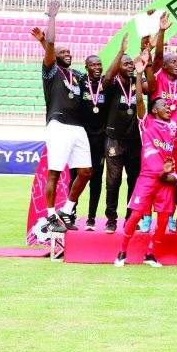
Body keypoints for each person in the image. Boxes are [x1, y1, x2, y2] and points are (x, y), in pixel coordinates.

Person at [114, 50, 177, 267]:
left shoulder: (173, 128)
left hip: (166, 179)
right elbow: (139, 100)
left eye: (168, 105)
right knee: (136, 216)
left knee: (164, 218)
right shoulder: (146, 123)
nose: (168, 107)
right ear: (154, 110)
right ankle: (122, 252)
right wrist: (139, 75)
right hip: (147, 177)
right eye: (164, 106)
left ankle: (150, 253)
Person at [32, 0, 92, 232]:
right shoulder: (51, 72)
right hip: (58, 124)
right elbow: (51, 44)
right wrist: (52, 18)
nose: (67, 54)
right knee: (55, 173)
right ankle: (50, 216)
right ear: (53, 56)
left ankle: (66, 210)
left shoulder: (76, 74)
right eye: (62, 52)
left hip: (78, 127)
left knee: (86, 171)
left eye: (69, 52)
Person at [144, 11, 177, 233]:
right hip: (154, 137)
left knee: (172, 178)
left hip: (174, 138)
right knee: (150, 177)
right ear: (163, 66)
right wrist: (161, 30)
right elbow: (154, 59)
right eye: (173, 62)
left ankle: (172, 216)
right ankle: (146, 216)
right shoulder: (158, 78)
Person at [101, 35, 142, 233]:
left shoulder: (136, 81)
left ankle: (129, 218)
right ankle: (110, 219)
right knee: (113, 181)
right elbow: (107, 78)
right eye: (125, 64)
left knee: (134, 181)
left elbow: (150, 86)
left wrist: (144, 63)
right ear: (118, 65)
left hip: (135, 139)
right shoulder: (112, 84)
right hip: (114, 139)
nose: (130, 66)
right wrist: (120, 52)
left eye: (131, 64)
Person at [74, 54, 108, 230]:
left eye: (99, 64)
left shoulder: (106, 82)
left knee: (96, 180)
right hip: (81, 137)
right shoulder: (80, 81)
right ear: (86, 67)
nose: (97, 67)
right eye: (93, 65)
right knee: (76, 177)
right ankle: (71, 213)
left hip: (100, 139)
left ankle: (91, 219)